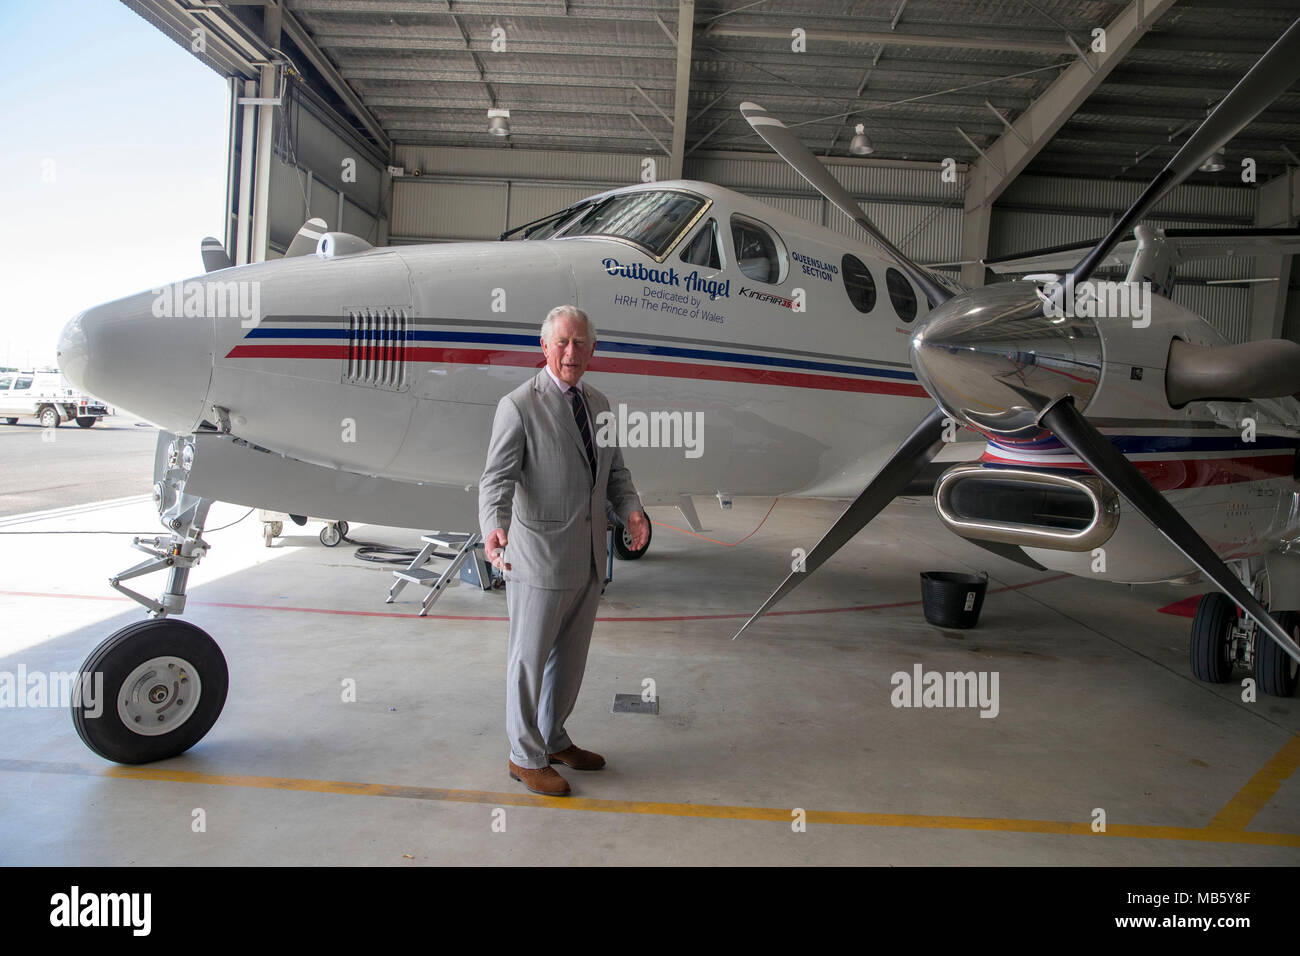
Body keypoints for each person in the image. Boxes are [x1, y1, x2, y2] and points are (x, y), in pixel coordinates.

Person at [479, 304, 649, 796]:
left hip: (590, 558)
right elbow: (496, 480)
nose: (571, 351)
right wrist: (494, 526)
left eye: (580, 343)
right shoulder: (518, 406)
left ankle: (553, 738)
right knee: (528, 662)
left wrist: (632, 510)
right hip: (539, 559)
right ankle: (524, 756)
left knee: (569, 664)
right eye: (562, 342)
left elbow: (616, 474)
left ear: (592, 350)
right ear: (545, 347)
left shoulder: (600, 404)